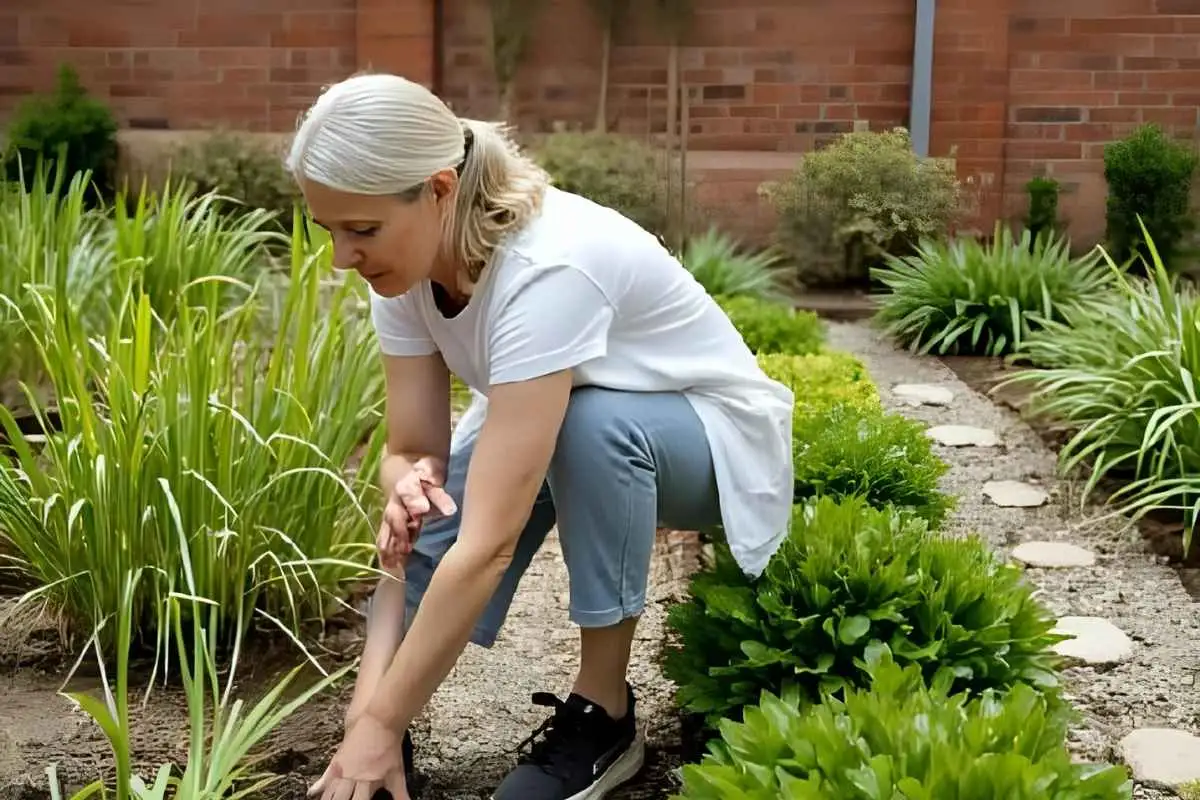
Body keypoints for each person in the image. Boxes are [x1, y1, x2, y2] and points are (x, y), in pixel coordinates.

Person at [288, 72, 795, 800]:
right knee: (433, 518)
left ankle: (605, 714)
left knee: (589, 428)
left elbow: (490, 546)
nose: (343, 257)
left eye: (361, 230)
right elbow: (410, 447)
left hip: (708, 441)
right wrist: (367, 723)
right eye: (329, 230)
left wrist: (371, 729)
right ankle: (380, 746)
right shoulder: (403, 270)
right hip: (564, 407)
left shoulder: (545, 268)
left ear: (437, 189)